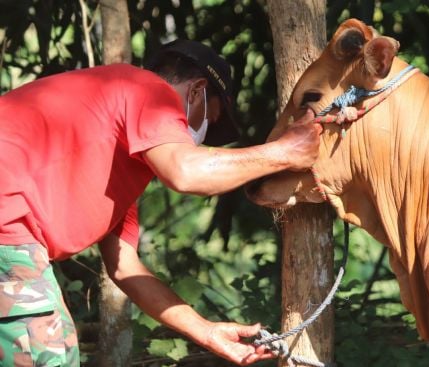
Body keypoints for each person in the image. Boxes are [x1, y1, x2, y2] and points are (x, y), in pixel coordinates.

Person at [0, 39, 322, 366]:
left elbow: (125, 268)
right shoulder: (149, 91)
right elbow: (184, 173)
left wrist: (206, 331)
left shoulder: (117, 163)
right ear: (196, 91)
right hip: (7, 224)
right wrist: (284, 152)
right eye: (208, 120)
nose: (196, 135)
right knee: (48, 353)